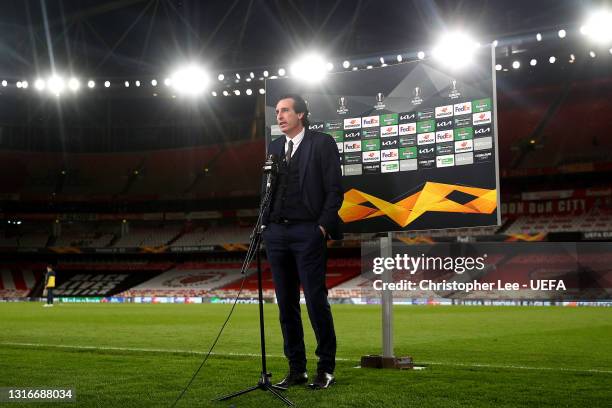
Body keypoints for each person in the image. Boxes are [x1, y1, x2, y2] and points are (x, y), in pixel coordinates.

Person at [262, 94, 343, 390]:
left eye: (285, 111)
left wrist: (321, 227)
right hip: (277, 234)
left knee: (315, 302)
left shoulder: (322, 143)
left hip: (308, 232)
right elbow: (267, 191)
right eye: (278, 112)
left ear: (301, 115)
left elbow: (335, 190)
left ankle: (326, 368)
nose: (280, 116)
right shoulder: (274, 147)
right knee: (285, 305)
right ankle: (297, 369)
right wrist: (266, 225)